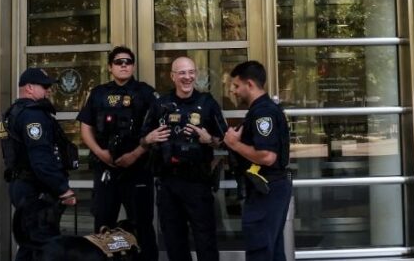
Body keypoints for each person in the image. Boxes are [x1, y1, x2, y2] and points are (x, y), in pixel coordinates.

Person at [140, 56, 226, 261]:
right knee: (174, 241)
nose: (187, 77)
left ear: (195, 74)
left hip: (198, 183)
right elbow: (143, 140)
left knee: (205, 240)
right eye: (182, 73)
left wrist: (209, 139)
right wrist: (149, 138)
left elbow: (224, 140)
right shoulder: (161, 104)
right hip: (168, 183)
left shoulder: (207, 103)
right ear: (172, 76)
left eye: (191, 72)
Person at [77, 46, 158, 258]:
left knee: (142, 225)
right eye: (119, 62)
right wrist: (100, 152)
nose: (124, 65)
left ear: (133, 66)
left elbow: (157, 130)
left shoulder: (146, 92)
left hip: (138, 169)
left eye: (128, 62)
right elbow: (85, 128)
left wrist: (135, 154)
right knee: (103, 226)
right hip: (106, 170)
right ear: (110, 67)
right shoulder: (98, 93)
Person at [1, 67, 79, 261]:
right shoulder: (32, 115)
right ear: (29, 88)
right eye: (44, 86)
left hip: (24, 186)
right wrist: (63, 189)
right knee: (42, 245)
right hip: (34, 189)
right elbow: (41, 159)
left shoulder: (13, 112)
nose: (48, 90)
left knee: (32, 244)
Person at [223, 60, 291, 261]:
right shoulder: (260, 110)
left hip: (266, 189)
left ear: (250, 84)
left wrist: (234, 145)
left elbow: (267, 156)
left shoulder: (263, 112)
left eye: (236, 86)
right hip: (268, 189)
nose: (234, 91)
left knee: (260, 250)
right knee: (273, 250)